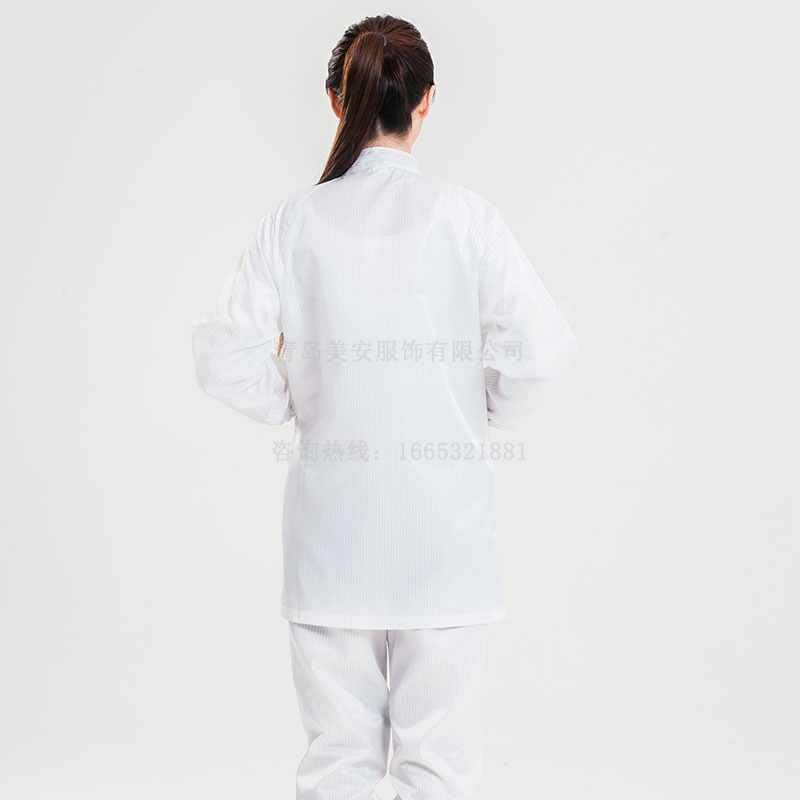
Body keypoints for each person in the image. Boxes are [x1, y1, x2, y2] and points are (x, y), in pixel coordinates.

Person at [190, 13, 577, 800]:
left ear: (338, 101)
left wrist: (297, 400)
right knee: (441, 774)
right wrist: (481, 411)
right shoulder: (467, 218)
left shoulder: (293, 222)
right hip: (447, 539)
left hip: (333, 537)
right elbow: (544, 348)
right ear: (427, 100)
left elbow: (222, 356)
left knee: (337, 766)